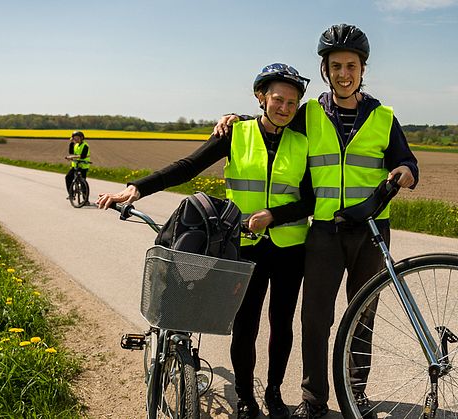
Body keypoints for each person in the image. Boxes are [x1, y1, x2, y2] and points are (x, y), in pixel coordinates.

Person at [214, 24, 419, 419]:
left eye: (352, 66)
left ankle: (355, 396)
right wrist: (235, 117)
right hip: (324, 230)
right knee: (315, 320)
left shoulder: (384, 116)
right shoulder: (308, 113)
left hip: (373, 231)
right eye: (336, 65)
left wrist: (407, 172)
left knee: (363, 317)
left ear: (363, 70)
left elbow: (406, 162)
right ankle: (313, 400)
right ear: (325, 70)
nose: (345, 73)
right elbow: (272, 119)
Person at [97, 63, 314, 419]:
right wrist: (138, 188)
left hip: (291, 246)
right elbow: (188, 166)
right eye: (278, 99)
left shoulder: (302, 141)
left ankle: (274, 393)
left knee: (282, 322)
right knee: (245, 324)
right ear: (262, 98)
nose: (285, 109)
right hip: (242, 246)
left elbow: (309, 199)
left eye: (292, 103)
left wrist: (274, 215)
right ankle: (245, 397)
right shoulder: (236, 133)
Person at [64, 130, 90, 200]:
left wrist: (72, 157)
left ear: (81, 138)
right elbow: (71, 152)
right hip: (75, 166)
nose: (76, 139)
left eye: (77, 137)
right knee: (68, 177)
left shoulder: (85, 145)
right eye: (74, 138)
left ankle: (85, 200)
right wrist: (71, 143)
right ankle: (71, 195)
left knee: (83, 182)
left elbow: (83, 156)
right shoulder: (76, 145)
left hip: (83, 166)